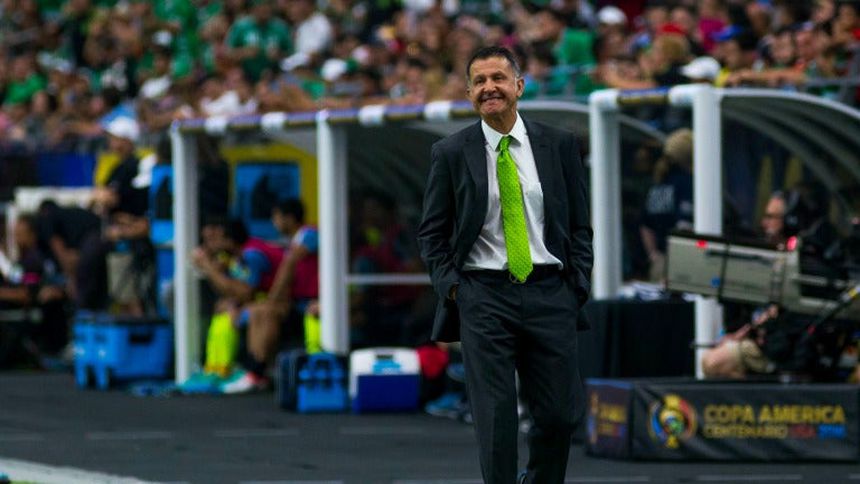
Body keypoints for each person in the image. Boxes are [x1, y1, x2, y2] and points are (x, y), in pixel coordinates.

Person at [417, 46, 592, 484]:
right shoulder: (450, 152)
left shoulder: (559, 144)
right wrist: (454, 289)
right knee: (496, 419)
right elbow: (432, 233)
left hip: (551, 292)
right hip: (483, 296)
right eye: (479, 81)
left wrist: (577, 285)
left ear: (519, 86)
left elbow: (579, 224)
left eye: (497, 78)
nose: (489, 88)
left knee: (559, 416)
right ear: (469, 93)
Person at [225, 198, 319, 394]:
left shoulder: (309, 234)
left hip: (309, 302)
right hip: (295, 301)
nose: (273, 222)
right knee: (257, 311)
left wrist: (273, 299)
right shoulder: (293, 241)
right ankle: (255, 370)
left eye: (276, 217)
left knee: (267, 311)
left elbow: (289, 266)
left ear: (289, 218)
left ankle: (257, 371)